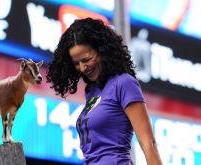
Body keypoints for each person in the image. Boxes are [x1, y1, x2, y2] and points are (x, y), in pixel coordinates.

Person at [46, 17, 162, 165]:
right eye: (76, 63)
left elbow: (149, 144)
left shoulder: (124, 83)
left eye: (86, 59)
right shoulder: (92, 91)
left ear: (102, 51)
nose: (82, 68)